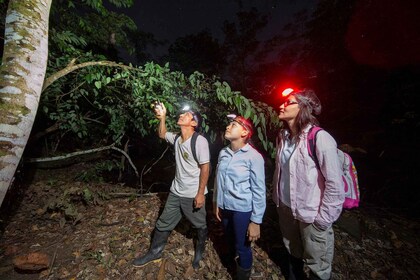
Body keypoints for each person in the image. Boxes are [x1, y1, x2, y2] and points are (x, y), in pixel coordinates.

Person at [272, 89, 345, 280]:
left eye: (288, 103)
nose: (281, 106)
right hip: (286, 208)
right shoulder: (283, 137)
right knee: (292, 251)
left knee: (317, 263)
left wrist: (323, 220)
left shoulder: (320, 138)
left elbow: (335, 184)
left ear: (303, 107)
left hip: (311, 213)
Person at [133, 102, 210, 269]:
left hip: (192, 193)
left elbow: (205, 168)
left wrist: (200, 194)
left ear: (194, 123)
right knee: (163, 223)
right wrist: (162, 118)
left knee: (199, 224)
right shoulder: (176, 138)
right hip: (176, 191)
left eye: (187, 114)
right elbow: (162, 134)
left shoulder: (199, 141)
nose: (181, 115)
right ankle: (155, 253)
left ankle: (199, 254)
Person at [213, 115, 266, 280]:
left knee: (242, 247)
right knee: (229, 240)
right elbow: (218, 180)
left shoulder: (253, 157)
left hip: (242, 209)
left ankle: (243, 275)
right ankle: (231, 266)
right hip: (225, 206)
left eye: (234, 124)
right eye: (229, 123)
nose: (228, 126)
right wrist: (216, 203)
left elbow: (259, 190)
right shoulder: (224, 152)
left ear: (245, 132)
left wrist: (256, 221)